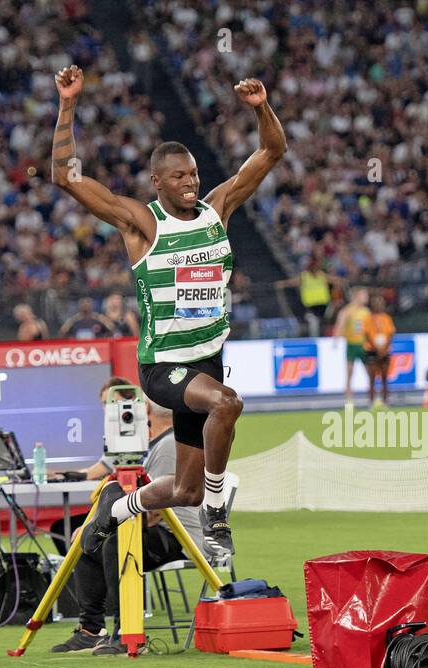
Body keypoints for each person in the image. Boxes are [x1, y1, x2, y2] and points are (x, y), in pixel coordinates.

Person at [52, 63, 284, 559]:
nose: (190, 183)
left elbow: (271, 152)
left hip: (206, 362)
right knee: (227, 404)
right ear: (156, 181)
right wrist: (68, 105)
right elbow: (65, 178)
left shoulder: (216, 209)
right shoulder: (141, 224)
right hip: (163, 367)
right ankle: (218, 514)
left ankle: (111, 513)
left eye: (194, 173)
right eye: (178, 176)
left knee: (184, 491)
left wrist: (262, 107)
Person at [50, 401, 218, 655]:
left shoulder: (168, 447)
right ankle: (90, 630)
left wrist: (106, 525)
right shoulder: (161, 445)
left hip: (180, 538)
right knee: (88, 542)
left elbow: (155, 511)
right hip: (165, 531)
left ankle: (124, 631)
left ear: (148, 415)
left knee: (115, 544)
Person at [47, 375, 133, 554]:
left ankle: (79, 576)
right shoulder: (114, 432)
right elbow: (102, 466)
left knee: (66, 529)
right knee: (61, 527)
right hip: (119, 505)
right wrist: (65, 474)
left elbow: (97, 471)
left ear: (131, 401)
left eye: (112, 402)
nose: (107, 408)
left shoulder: (132, 432)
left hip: (130, 509)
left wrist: (65, 475)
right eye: (104, 403)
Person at [333, 287, 370, 403]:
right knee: (349, 373)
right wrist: (336, 339)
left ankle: (373, 398)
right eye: (364, 295)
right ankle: (349, 399)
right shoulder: (347, 311)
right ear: (357, 296)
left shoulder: (366, 311)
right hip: (352, 344)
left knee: (371, 372)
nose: (366, 298)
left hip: (364, 345)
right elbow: (340, 325)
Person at [363, 294, 396, 406]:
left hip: (385, 351)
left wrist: (384, 348)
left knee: (385, 378)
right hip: (372, 350)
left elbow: (391, 333)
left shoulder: (387, 318)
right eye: (377, 303)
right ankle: (371, 403)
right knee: (372, 378)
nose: (379, 305)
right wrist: (377, 349)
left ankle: (385, 402)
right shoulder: (368, 319)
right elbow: (366, 335)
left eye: (381, 303)